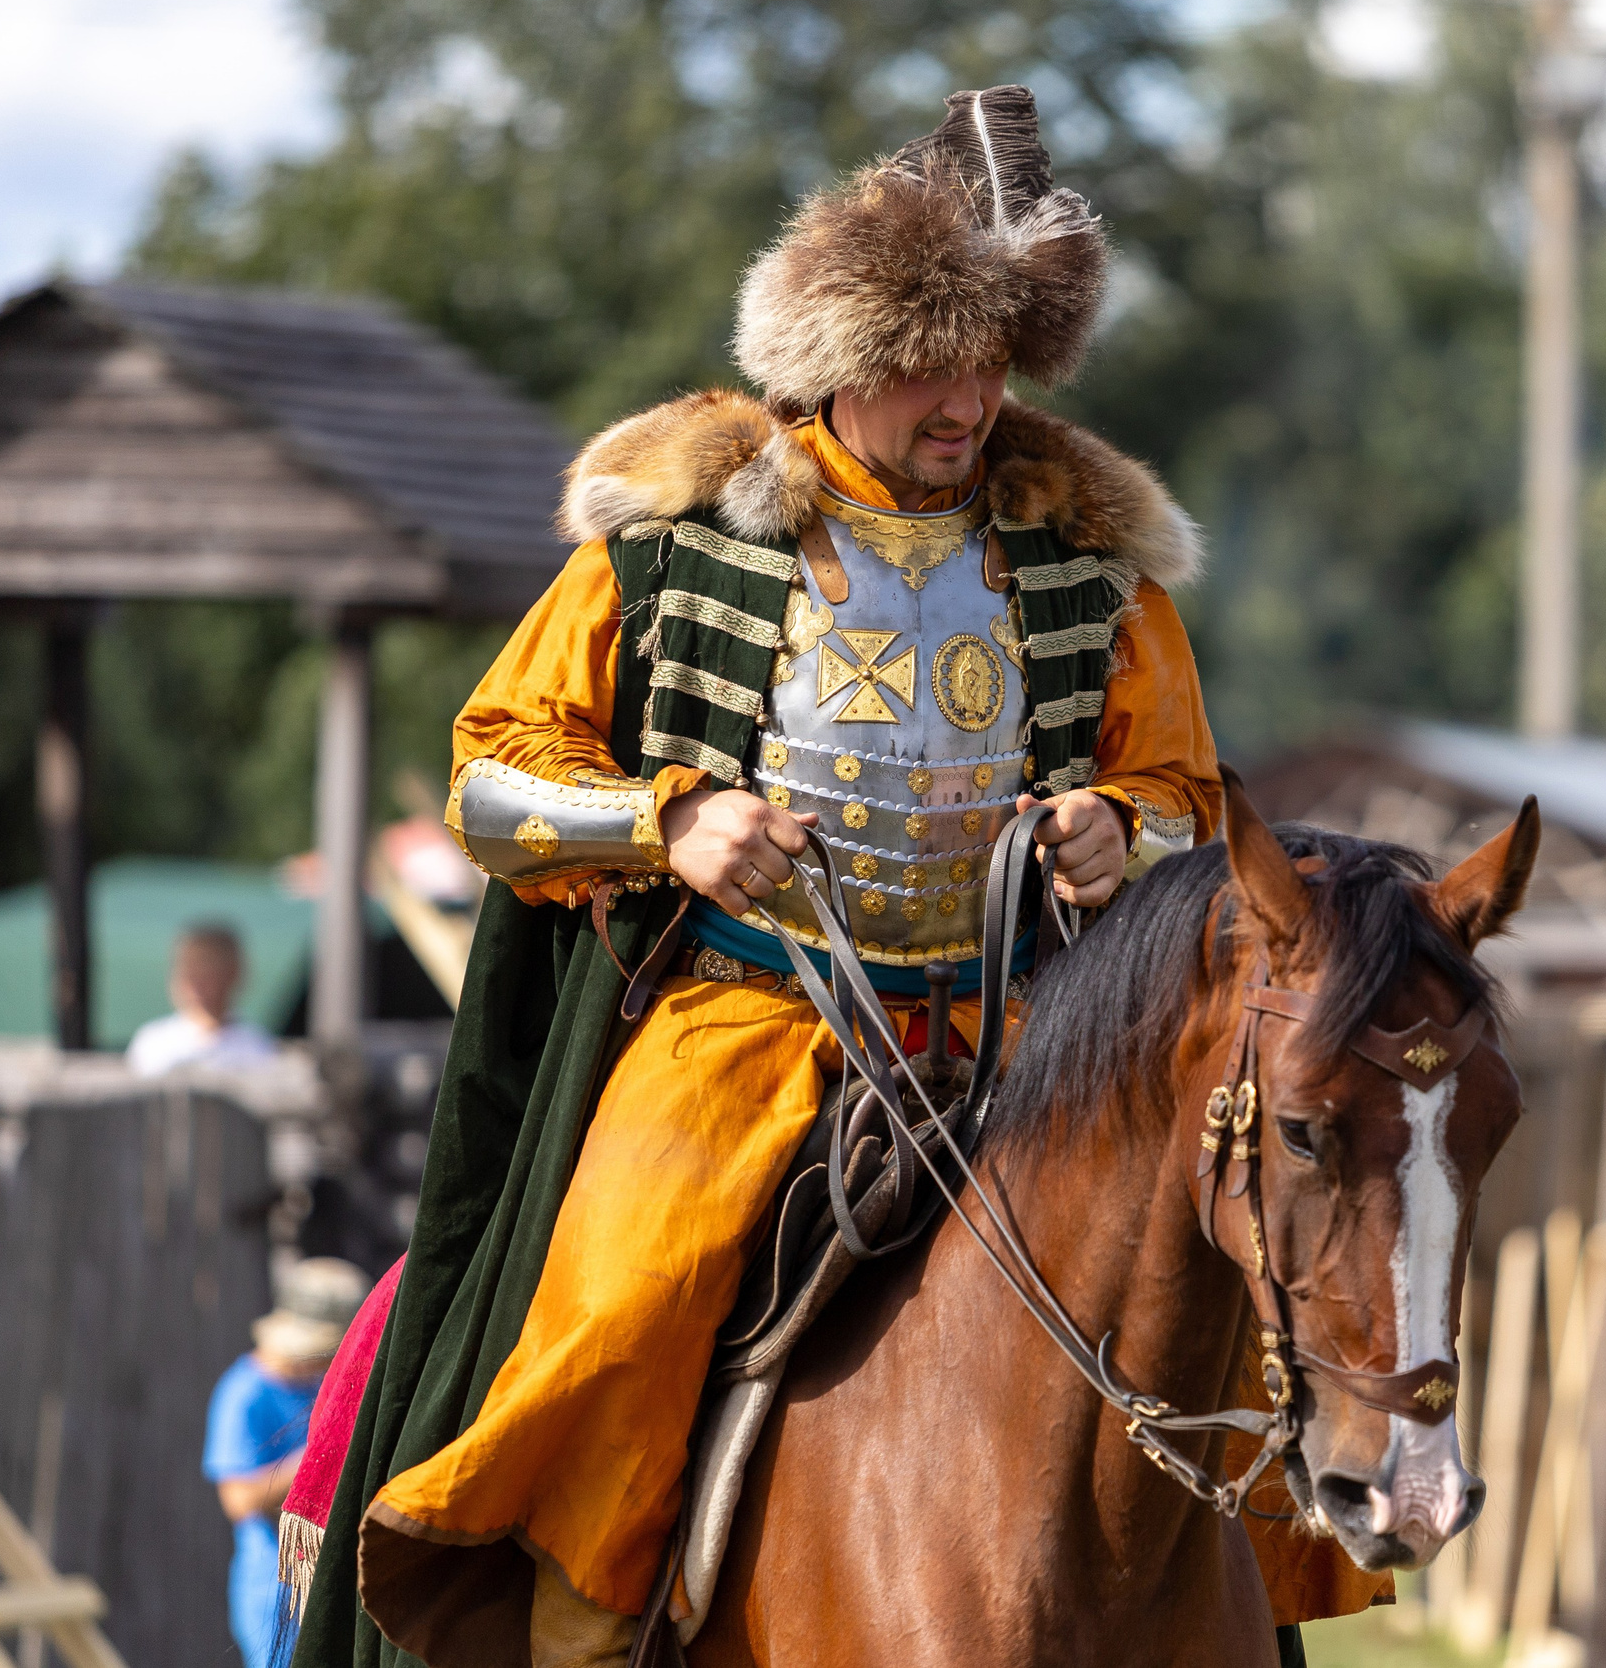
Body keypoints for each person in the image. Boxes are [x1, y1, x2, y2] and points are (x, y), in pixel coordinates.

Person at [294, 87, 1377, 1666]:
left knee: (1220, 1282)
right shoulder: (674, 550)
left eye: (998, 363)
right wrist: (668, 826)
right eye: (935, 363)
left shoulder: (1089, 571)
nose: (971, 401)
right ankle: (574, 1639)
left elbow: (1187, 806)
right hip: (745, 1026)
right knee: (623, 1296)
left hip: (1030, 1041)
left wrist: (1117, 833)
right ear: (841, 362)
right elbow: (489, 779)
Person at [205, 1257, 371, 1668]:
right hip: (275, 1589)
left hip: (335, 1578)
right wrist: (319, 1457)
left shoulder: (321, 1383)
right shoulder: (244, 1393)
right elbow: (239, 1500)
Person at [126, 924, 277, 1078]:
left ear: (234, 974)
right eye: (188, 968)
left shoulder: (257, 1045)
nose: (195, 982)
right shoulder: (151, 1042)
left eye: (207, 969)